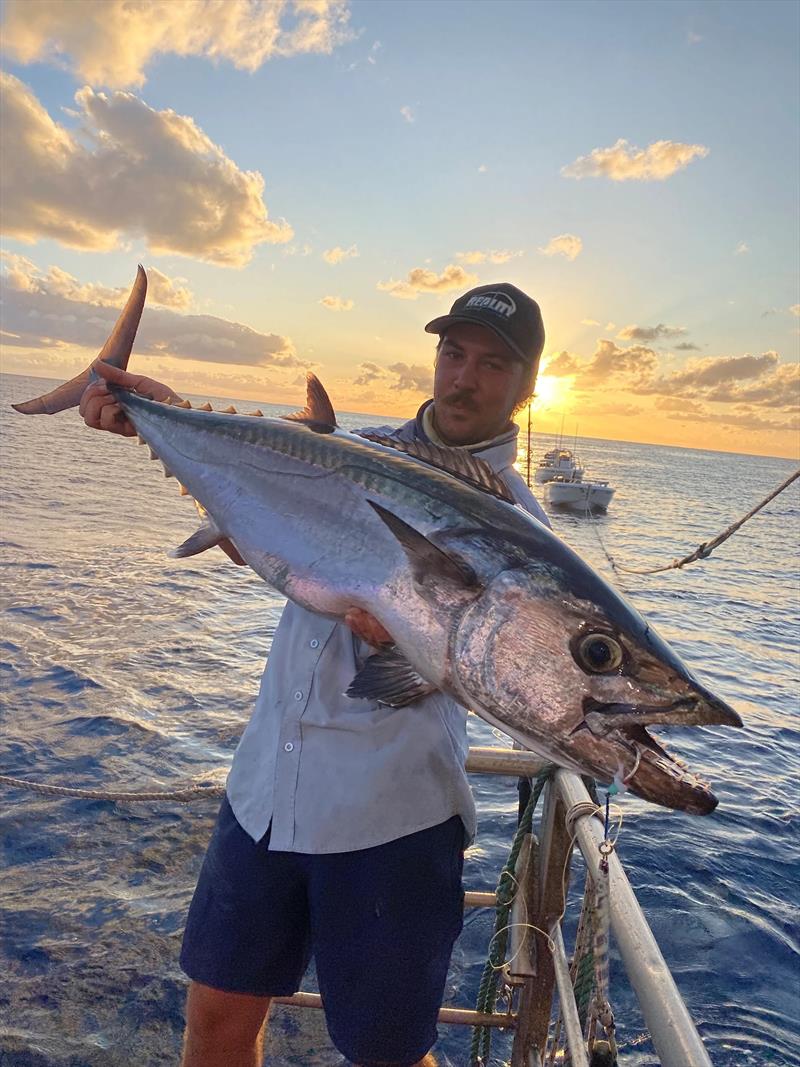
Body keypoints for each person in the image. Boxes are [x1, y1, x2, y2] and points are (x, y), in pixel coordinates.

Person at [80, 281, 549, 1067]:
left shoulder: (524, 536)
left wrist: (404, 622)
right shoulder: (350, 451)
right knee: (216, 1021)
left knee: (388, 1054)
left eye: (493, 363)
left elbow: (499, 669)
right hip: (264, 790)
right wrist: (149, 419)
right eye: (453, 352)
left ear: (527, 386)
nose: (464, 377)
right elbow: (266, 536)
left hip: (388, 820)